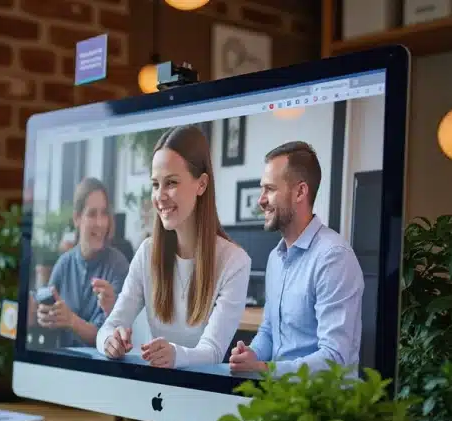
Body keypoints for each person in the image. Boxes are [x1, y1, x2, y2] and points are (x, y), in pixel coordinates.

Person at [98, 125, 251, 368]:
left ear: (201, 184)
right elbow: (110, 325)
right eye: (155, 184)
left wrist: (176, 355)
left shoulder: (235, 261)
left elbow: (212, 351)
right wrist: (109, 340)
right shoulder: (147, 253)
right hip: (154, 390)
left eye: (171, 183)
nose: (160, 196)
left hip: (202, 393)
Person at [229, 141, 364, 375]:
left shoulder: (333, 258)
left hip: (320, 403)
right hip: (281, 397)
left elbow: (334, 358)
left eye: (270, 189)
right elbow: (269, 331)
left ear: (300, 192)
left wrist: (264, 368)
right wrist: (253, 354)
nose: (261, 200)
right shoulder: (276, 258)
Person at [36, 177, 130, 348]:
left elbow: (107, 338)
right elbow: (48, 326)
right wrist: (44, 317)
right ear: (77, 218)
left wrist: (70, 320)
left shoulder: (119, 266)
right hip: (64, 367)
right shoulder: (63, 264)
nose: (100, 223)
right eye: (92, 214)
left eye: (104, 214)